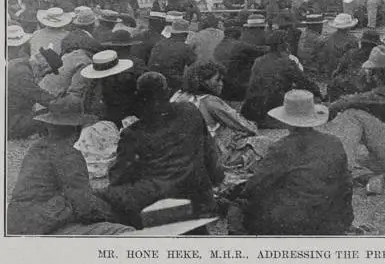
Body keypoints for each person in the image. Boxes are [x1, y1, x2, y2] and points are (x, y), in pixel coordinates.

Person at [101, 72, 224, 228]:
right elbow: (210, 155)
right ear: (168, 92)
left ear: (142, 99)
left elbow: (118, 178)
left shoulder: (133, 134)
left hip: (160, 205)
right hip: (200, 200)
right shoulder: (189, 110)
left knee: (104, 195)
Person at [228, 90, 353, 235]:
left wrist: (239, 193)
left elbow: (257, 185)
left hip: (296, 222)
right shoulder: (334, 142)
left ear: (285, 120)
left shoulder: (282, 147)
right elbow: (345, 182)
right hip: (333, 220)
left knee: (237, 207)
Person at [6, 99, 134, 235]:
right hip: (44, 226)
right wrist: (115, 215)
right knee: (123, 231)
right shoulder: (68, 155)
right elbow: (85, 208)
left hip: (18, 220)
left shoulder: (36, 147)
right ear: (77, 128)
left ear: (49, 125)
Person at [324, 46, 385, 186]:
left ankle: (342, 174)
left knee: (352, 115)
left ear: (376, 73)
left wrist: (330, 108)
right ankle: (375, 178)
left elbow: (352, 101)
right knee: (355, 158)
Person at [171, 62, 268, 182]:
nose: (221, 84)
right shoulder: (210, 101)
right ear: (204, 82)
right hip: (209, 156)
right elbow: (247, 126)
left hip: (179, 154)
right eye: (217, 80)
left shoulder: (177, 96)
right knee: (263, 142)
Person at [240, 31, 322, 127]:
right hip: (271, 111)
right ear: (281, 45)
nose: (288, 45)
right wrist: (319, 95)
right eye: (286, 42)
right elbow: (306, 82)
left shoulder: (258, 61)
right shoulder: (286, 62)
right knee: (312, 99)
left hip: (252, 112)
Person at [8, 37, 62, 139]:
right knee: (48, 116)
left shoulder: (21, 63)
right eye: (47, 72)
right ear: (44, 67)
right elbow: (40, 96)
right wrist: (61, 103)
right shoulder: (22, 73)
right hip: (8, 123)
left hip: (10, 116)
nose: (44, 76)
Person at [214, 23, 268, 102]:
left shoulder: (219, 45)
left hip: (223, 84)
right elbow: (260, 50)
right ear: (238, 36)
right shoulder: (237, 45)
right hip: (236, 85)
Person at [328, 29, 382, 100]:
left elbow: (337, 72)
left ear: (362, 43)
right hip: (365, 93)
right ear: (375, 45)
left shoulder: (351, 53)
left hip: (347, 89)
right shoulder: (380, 58)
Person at [147, 18, 197, 93]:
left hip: (154, 83)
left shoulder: (159, 44)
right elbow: (195, 68)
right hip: (173, 87)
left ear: (172, 33)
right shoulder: (185, 48)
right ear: (186, 35)